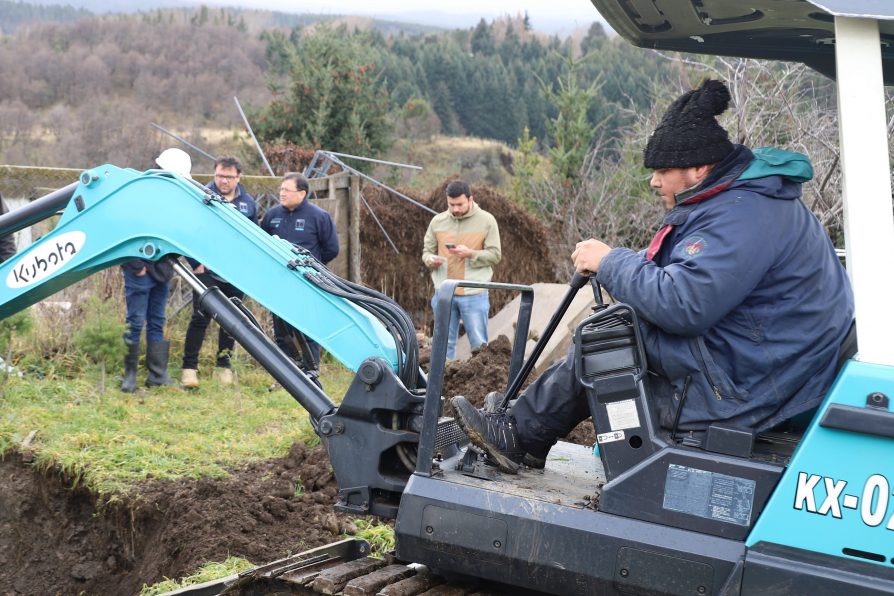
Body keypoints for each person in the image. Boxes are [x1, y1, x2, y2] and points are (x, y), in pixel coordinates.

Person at [451, 79, 855, 473]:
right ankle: (526, 431)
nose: (654, 180)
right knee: (618, 329)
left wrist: (611, 262)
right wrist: (627, 263)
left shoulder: (742, 215)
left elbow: (684, 304)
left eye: (662, 170)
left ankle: (520, 437)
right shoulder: (739, 202)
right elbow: (692, 269)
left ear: (698, 167)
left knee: (608, 342)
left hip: (754, 384)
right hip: (765, 361)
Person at [180, 156, 258, 388]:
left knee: (231, 320)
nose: (223, 181)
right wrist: (195, 263)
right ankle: (189, 368)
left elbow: (253, 237)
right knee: (200, 317)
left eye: (229, 177)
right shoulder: (201, 197)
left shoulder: (248, 204)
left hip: (235, 273)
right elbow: (188, 232)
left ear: (238, 177)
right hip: (206, 269)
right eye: (220, 176)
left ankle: (223, 366)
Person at [120, 148, 192, 392]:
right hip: (139, 269)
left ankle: (157, 375)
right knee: (135, 321)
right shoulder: (139, 194)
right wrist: (136, 266)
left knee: (157, 322)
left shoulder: (175, 199)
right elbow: (125, 231)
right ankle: (128, 377)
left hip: (163, 269)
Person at [261, 172, 339, 374]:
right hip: (278, 282)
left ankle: (311, 370)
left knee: (308, 326)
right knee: (281, 329)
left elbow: (331, 249)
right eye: (281, 189)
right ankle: (285, 373)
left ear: (302, 193)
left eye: (287, 190)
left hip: (308, 281)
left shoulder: (319, 217)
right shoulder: (272, 216)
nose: (282, 193)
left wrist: (309, 267)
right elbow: (262, 243)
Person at [421, 180, 501, 360]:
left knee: (479, 345)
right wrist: (430, 260)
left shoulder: (487, 221)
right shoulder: (437, 221)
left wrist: (471, 253)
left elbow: (495, 255)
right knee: (443, 345)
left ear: (470, 199)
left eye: (460, 204)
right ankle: (441, 385)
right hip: (444, 292)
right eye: (451, 205)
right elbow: (426, 252)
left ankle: (482, 385)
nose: (455, 209)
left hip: (474, 293)